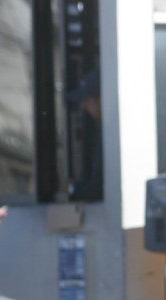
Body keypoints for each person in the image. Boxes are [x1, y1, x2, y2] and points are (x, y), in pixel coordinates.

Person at [65, 68, 103, 201]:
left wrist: (72, 188)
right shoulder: (103, 129)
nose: (84, 107)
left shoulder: (111, 135)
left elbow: (100, 186)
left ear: (101, 98)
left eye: (88, 102)